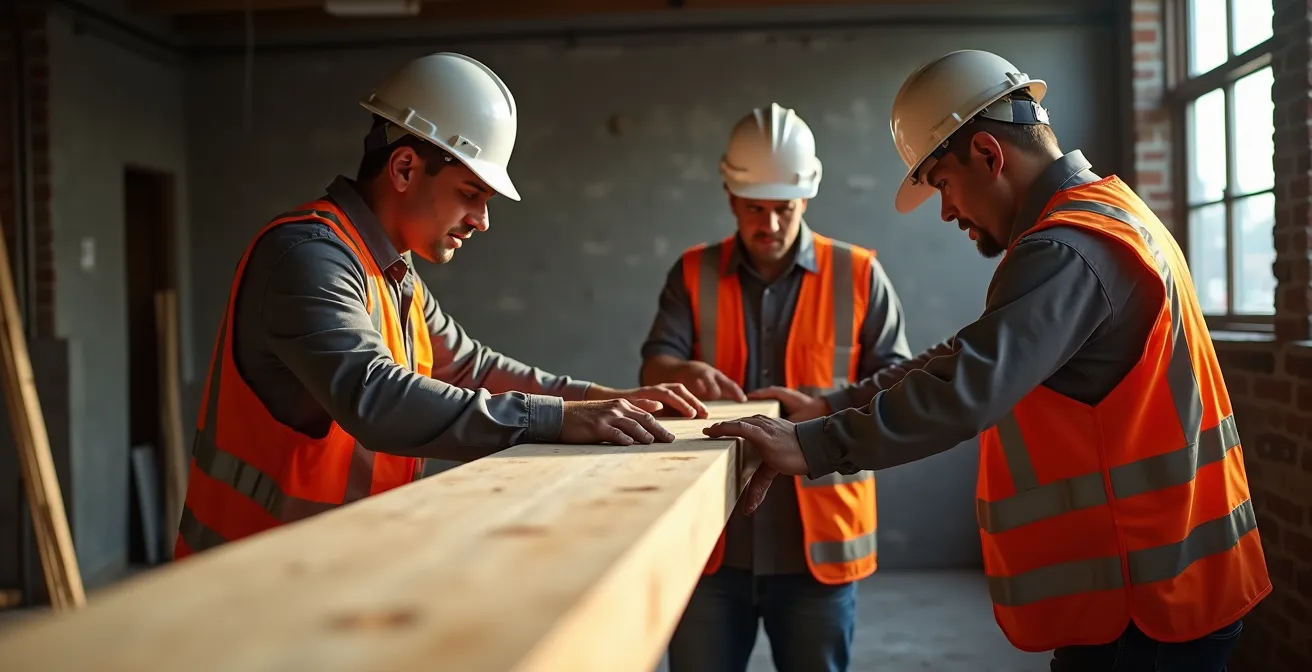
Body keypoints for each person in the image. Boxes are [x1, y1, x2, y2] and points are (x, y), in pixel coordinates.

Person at [705, 50, 1272, 671]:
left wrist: (813, 444)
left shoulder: (1067, 249)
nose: (947, 211)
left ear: (988, 155)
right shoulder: (1105, 217)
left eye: (943, 185)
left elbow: (965, 387)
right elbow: (964, 355)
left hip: (1150, 604)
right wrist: (831, 406)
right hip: (1152, 585)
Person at [174, 52, 706, 559]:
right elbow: (375, 397)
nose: (482, 220)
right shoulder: (306, 257)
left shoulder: (388, 270)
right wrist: (557, 418)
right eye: (470, 194)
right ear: (404, 168)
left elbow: (472, 366)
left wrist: (607, 399)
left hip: (329, 572)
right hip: (249, 591)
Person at [640, 103, 913, 672]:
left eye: (782, 210)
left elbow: (900, 385)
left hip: (818, 549)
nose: (767, 225)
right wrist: (677, 373)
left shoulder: (860, 275)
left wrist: (826, 407)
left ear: (806, 197)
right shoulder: (692, 273)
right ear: (730, 196)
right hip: (711, 545)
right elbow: (654, 367)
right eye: (753, 209)